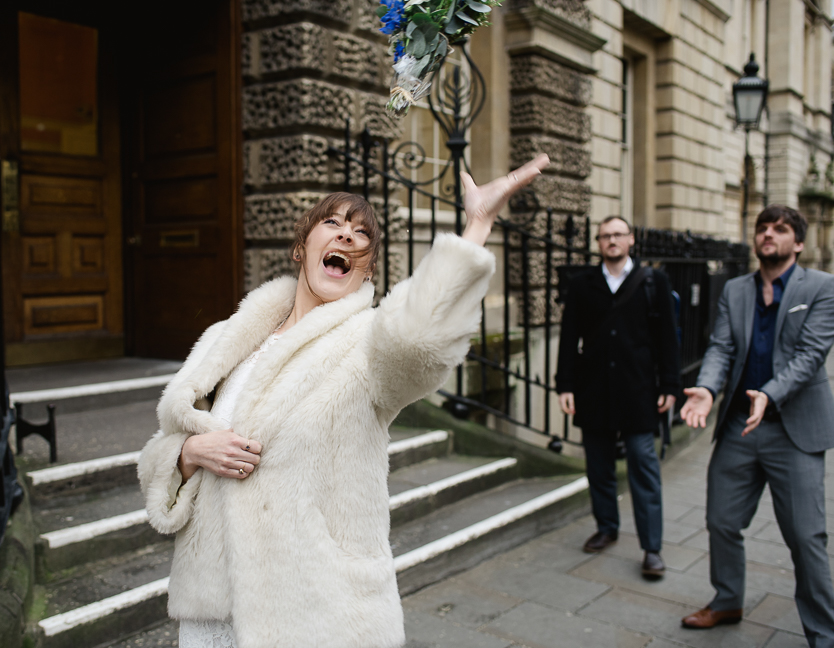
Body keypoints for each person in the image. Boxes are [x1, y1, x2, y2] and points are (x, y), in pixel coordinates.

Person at [136, 155, 550, 648]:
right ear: (301, 246)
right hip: (210, 605)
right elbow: (162, 448)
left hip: (309, 613)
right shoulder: (226, 339)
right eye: (331, 223)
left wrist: (475, 227)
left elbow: (418, 339)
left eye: (361, 235)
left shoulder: (367, 345)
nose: (346, 236)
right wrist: (186, 455)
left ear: (367, 265)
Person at [679, 205, 834, 645]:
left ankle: (824, 635)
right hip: (740, 428)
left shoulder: (822, 287)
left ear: (798, 243)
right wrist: (707, 389)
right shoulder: (735, 290)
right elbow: (721, 347)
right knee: (721, 520)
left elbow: (810, 355)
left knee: (806, 539)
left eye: (780, 229)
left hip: (795, 430)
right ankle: (727, 599)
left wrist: (770, 392)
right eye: (762, 228)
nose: (768, 234)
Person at [555, 215, 680, 579]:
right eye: (605, 235)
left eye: (618, 234)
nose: (612, 240)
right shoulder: (582, 284)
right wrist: (565, 385)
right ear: (598, 243)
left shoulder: (653, 282)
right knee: (599, 468)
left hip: (639, 391)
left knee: (644, 468)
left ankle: (652, 548)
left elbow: (668, 341)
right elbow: (568, 339)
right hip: (594, 391)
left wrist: (670, 386)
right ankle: (607, 527)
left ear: (631, 241)